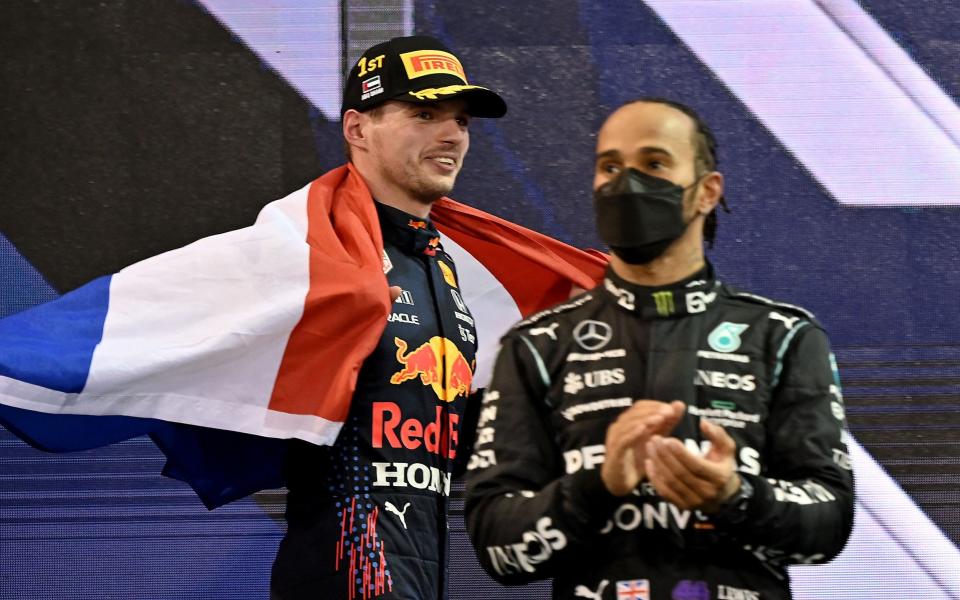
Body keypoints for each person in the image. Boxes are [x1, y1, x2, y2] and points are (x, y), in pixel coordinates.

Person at [464, 98, 854, 600]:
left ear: (707, 192)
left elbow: (830, 525)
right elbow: (497, 547)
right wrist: (597, 486)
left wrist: (735, 497)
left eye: (653, 164)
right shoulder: (537, 345)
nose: (627, 184)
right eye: (610, 167)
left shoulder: (785, 337)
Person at [270, 35, 507, 599]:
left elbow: (440, 433)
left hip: (420, 576)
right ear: (357, 129)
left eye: (462, 121)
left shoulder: (441, 265)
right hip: (343, 578)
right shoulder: (305, 247)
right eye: (425, 114)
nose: (451, 135)